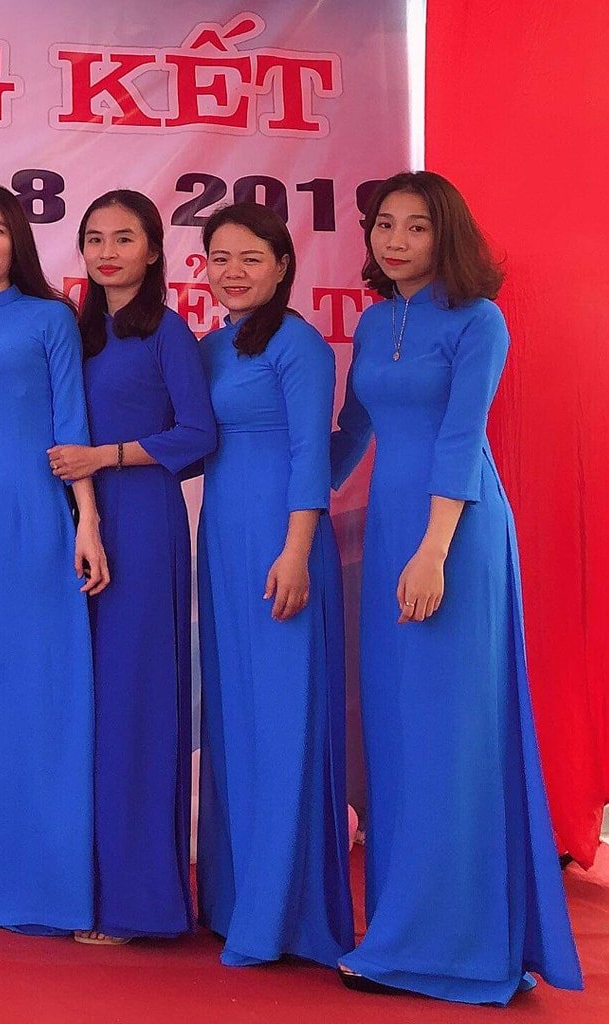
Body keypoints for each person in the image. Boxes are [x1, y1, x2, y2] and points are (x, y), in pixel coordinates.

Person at [330, 172, 581, 1002]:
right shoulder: (375, 322)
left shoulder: (480, 320)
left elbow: (461, 437)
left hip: (455, 535)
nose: (396, 240)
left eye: (416, 226)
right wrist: (283, 494)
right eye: (384, 225)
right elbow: (355, 430)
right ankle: (402, 929)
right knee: (399, 731)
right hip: (391, 532)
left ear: (447, 235)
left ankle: (456, 948)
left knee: (450, 731)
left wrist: (434, 550)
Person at [0, 185, 106, 932]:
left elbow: (72, 424)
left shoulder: (51, 318)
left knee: (43, 689)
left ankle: (51, 884)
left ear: (18, 243)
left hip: (36, 511)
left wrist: (87, 519)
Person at [49, 189, 215, 944]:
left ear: (153, 250)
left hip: (143, 525)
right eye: (94, 239)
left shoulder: (167, 333)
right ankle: (77, 886)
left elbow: (198, 433)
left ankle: (140, 902)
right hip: (71, 520)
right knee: (80, 705)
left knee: (133, 702)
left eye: (124, 238)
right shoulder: (74, 332)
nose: (107, 252)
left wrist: (108, 456)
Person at [193, 202, 351, 968]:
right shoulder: (209, 347)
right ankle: (232, 900)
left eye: (250, 258)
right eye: (219, 258)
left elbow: (312, 455)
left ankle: (282, 912)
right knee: (235, 714)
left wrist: (297, 550)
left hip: (282, 543)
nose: (233, 272)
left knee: (283, 714)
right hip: (222, 539)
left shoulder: (300, 345)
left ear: (283, 266)